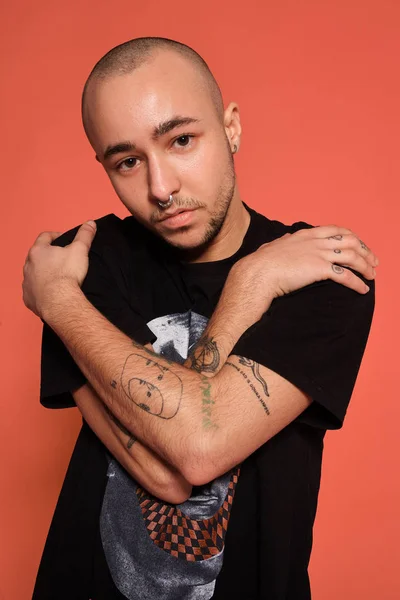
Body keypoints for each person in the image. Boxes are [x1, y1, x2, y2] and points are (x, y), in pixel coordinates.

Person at [23, 38, 377, 600]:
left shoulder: (323, 271)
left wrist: (58, 303)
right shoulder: (84, 263)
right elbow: (172, 471)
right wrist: (249, 287)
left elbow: (195, 451)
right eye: (128, 161)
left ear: (231, 127)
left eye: (182, 140)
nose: (160, 189)